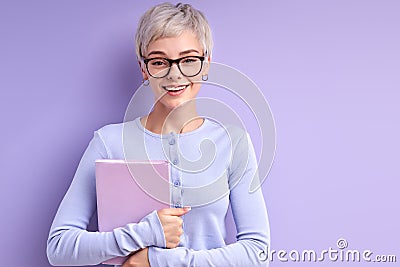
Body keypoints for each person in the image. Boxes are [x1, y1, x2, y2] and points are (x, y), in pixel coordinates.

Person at [47, 2, 270, 266]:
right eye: (159, 61)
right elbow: (59, 247)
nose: (174, 74)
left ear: (206, 64)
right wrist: (144, 233)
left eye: (188, 60)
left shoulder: (233, 143)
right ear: (144, 68)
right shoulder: (109, 143)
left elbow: (258, 253)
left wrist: (154, 260)